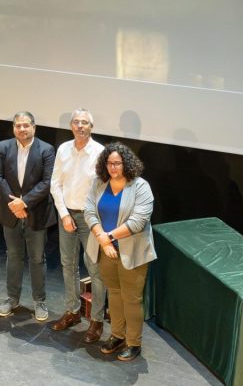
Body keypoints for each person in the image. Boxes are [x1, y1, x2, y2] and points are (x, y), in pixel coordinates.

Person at [86, 142, 156, 362]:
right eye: (109, 163)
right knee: (114, 295)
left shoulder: (140, 186)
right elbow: (89, 211)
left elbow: (138, 221)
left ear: (126, 163)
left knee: (131, 299)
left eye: (117, 163)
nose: (113, 167)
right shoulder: (99, 183)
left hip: (132, 252)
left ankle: (134, 343)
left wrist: (109, 237)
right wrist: (102, 240)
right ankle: (117, 336)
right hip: (106, 250)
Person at [49, 109, 107, 342]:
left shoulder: (100, 152)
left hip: (90, 218)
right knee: (68, 265)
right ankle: (72, 311)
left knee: (95, 269)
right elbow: (55, 184)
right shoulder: (63, 149)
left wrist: (93, 218)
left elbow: (103, 189)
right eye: (76, 122)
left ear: (91, 127)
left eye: (85, 122)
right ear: (71, 126)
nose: (80, 126)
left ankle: (96, 320)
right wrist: (64, 215)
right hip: (67, 216)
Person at [0, 111, 56, 321]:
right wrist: (15, 204)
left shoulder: (46, 149)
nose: (22, 129)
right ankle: (12, 298)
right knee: (14, 257)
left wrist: (24, 203)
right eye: (18, 125)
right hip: (11, 212)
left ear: (34, 128)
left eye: (26, 125)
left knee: (37, 259)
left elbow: (47, 182)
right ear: (13, 128)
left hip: (36, 213)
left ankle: (39, 301)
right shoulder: (3, 147)